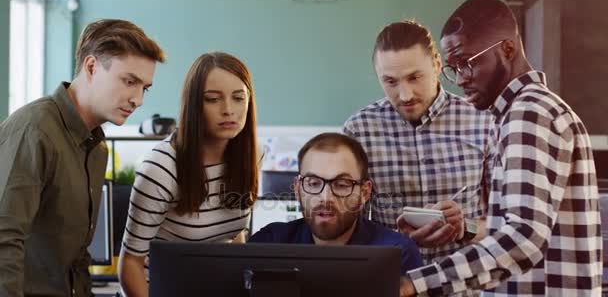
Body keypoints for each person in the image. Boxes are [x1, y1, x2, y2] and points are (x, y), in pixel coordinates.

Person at [400, 0, 602, 296]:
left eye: (467, 63)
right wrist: (464, 228)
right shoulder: (530, 110)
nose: (461, 80)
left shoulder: (529, 113)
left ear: (507, 49)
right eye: (453, 68)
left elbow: (523, 236)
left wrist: (412, 284)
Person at [0, 19, 165, 297]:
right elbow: (4, 238)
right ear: (91, 67)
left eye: (144, 88)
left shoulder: (96, 148)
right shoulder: (35, 129)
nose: (138, 99)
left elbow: (76, 260)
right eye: (129, 81)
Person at [343, 20, 494, 271]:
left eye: (415, 77)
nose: (405, 95)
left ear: (436, 64)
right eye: (390, 81)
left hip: (466, 285)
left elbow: (507, 224)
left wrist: (464, 228)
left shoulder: (484, 120)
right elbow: (348, 231)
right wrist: (397, 237)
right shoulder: (358, 131)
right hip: (391, 284)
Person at [119, 52, 260, 297]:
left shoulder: (251, 155)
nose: (229, 110)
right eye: (213, 99)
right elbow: (130, 264)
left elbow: (234, 235)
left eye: (239, 98)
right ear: (194, 104)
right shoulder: (162, 167)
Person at [249, 132, 423, 275]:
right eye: (313, 183)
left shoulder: (397, 254)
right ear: (297, 188)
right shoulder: (270, 243)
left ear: (364, 192)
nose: (326, 198)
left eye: (341, 185)